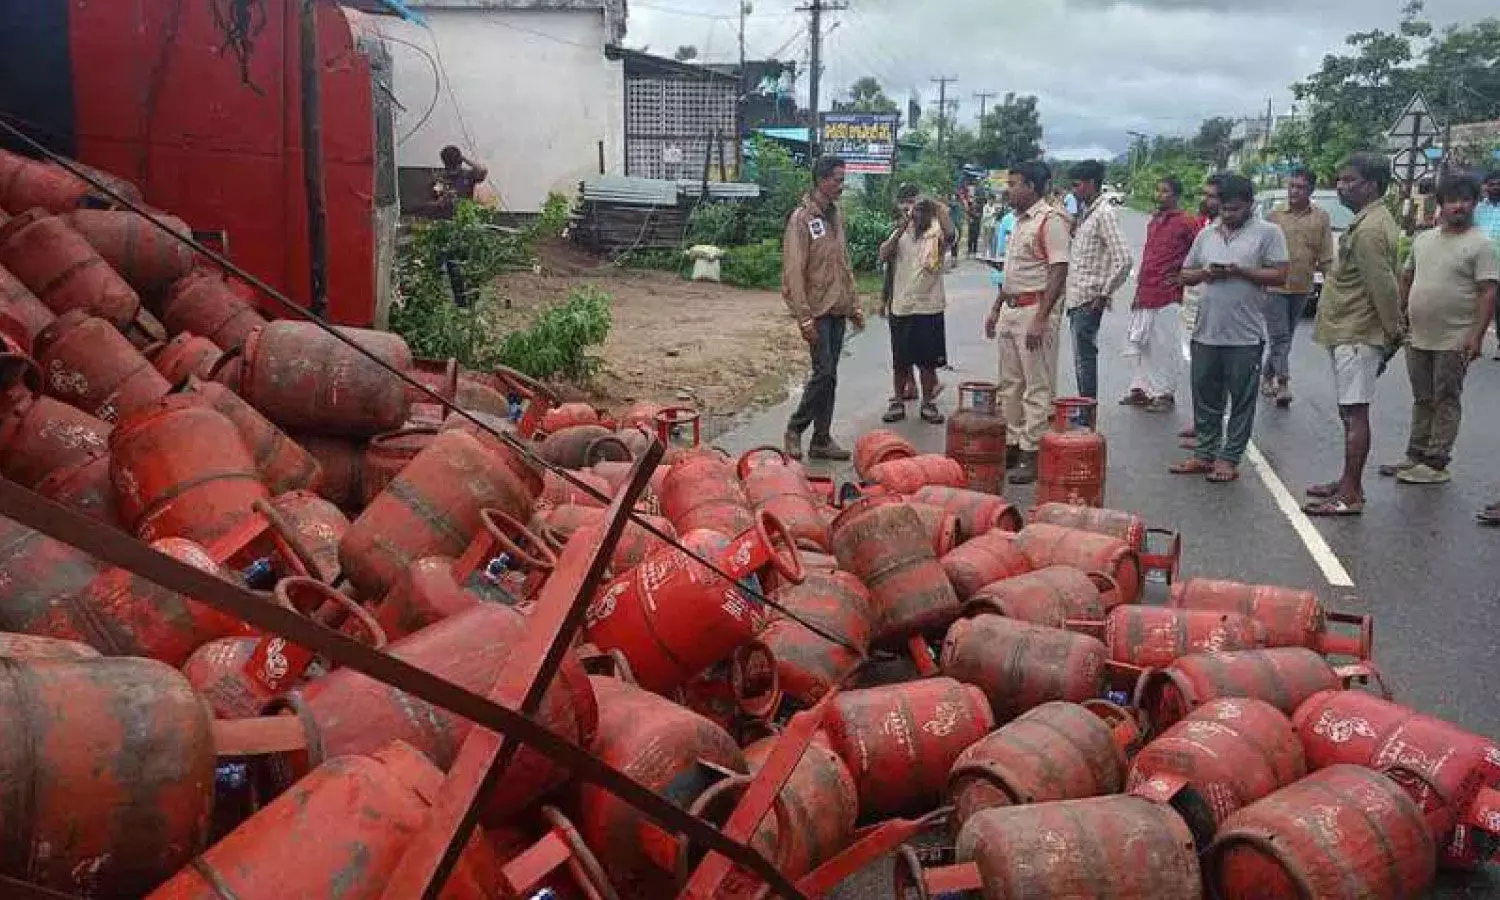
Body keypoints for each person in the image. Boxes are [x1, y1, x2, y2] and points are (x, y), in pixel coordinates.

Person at [1377, 175, 1498, 487]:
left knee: (1445, 397)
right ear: (1441, 205)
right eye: (1452, 200)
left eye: (1466, 200)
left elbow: (1487, 292)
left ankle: (1437, 461)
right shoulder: (1423, 240)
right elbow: (1406, 277)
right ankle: (1415, 454)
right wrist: (1398, 315)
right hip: (1417, 334)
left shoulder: (1481, 244)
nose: (1459, 206)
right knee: (1422, 396)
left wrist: (1477, 335)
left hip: (1455, 336)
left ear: (1474, 204)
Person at [1169, 175, 1289, 484]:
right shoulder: (1206, 235)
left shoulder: (1269, 233)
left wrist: (1241, 271)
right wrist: (1205, 273)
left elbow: (1280, 275)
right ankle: (1205, 453)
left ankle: (1229, 457)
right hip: (1206, 330)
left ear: (1250, 205)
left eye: (1235, 209)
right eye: (1223, 209)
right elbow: (1184, 274)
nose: (1228, 215)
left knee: (1242, 399)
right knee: (1205, 395)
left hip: (1245, 334)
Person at [1303, 154, 1403, 517]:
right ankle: (1348, 481)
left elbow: (1385, 288)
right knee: (1349, 412)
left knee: (1355, 413)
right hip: (1349, 329)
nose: (1341, 187)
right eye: (1340, 180)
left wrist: (1394, 334)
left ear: (1372, 185)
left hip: (1359, 331)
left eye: (1349, 181)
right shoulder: (1368, 222)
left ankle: (1351, 493)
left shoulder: (1371, 229)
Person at [984, 161, 1072, 485]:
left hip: (1034, 310)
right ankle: (1012, 443)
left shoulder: (1050, 221)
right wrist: (995, 309)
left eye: (1015, 184)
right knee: (1009, 384)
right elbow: (1011, 273)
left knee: (1036, 386)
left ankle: (1031, 452)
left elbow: (1059, 271)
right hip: (1011, 308)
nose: (1009, 189)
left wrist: (1041, 318)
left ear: (1032, 187)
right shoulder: (1019, 222)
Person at [781, 155, 865, 462]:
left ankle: (821, 439)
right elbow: (793, 271)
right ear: (821, 180)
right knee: (823, 373)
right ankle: (795, 427)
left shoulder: (834, 215)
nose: (841, 186)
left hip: (837, 307)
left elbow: (843, 263)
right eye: (837, 180)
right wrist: (803, 317)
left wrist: (854, 304)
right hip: (815, 310)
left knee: (830, 376)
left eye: (843, 180)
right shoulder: (801, 219)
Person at [1263, 167, 1335, 407]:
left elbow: (1325, 256)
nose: (1294, 191)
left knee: (1285, 336)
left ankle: (1267, 375)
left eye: (1300, 187)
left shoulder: (1321, 218)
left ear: (1310, 190)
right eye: (1292, 186)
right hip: (1274, 286)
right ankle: (1282, 383)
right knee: (1280, 335)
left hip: (1302, 286)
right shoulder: (1274, 217)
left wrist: (1332, 289)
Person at [879, 185, 951, 425]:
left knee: (928, 362)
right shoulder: (899, 234)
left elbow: (950, 236)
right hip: (901, 306)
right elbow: (883, 255)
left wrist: (938, 208)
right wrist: (901, 226)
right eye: (907, 205)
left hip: (929, 306)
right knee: (901, 360)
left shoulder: (936, 232)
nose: (912, 210)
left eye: (916, 206)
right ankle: (898, 401)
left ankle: (928, 404)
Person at [1063, 160, 1133, 401]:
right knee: (1081, 358)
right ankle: (1085, 409)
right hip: (1077, 297)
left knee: (1084, 359)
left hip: (1088, 298)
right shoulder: (1087, 213)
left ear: (1091, 183)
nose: (1074, 190)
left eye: (1077, 184)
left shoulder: (1104, 214)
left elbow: (1124, 259)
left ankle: (1086, 413)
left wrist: (1104, 293)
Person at [1128, 176, 1199, 413]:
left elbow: (1199, 253)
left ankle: (1165, 394)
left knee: (1165, 345)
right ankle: (1143, 389)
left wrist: (1183, 276)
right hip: (1147, 289)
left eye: (1165, 191)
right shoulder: (1155, 220)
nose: (1159, 195)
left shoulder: (1186, 222)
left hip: (1168, 293)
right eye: (1158, 191)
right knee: (1144, 344)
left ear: (1176, 195)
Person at [1477, 170, 1500, 358]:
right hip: (1478, 266)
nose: (1495, 187)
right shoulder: (1478, 209)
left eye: (1498, 183)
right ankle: (1470, 340)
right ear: (1486, 187)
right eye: (1491, 184)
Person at [431, 145, 488, 218]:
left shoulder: (468, 175)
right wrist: (444, 197)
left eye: (454, 168)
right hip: (444, 215)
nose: (452, 172)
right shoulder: (440, 177)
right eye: (450, 168)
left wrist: (463, 158)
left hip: (465, 215)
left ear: (459, 163)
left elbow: (482, 170)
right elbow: (436, 197)